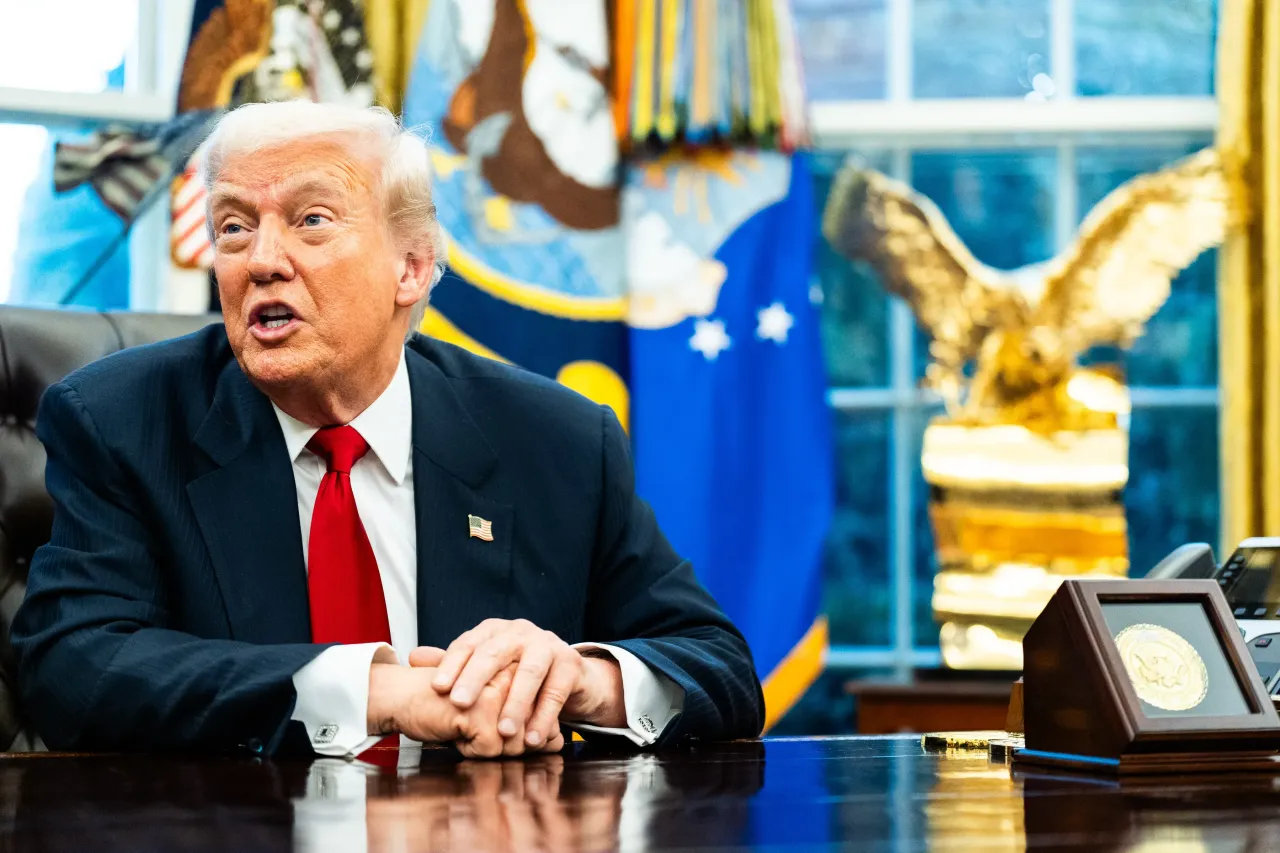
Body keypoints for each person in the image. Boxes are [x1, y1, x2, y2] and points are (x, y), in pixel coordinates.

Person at [11, 101, 763, 758]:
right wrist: (374, 690)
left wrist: (579, 680)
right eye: (234, 227)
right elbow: (74, 667)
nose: (262, 261)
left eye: (310, 220)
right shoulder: (120, 420)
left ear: (410, 267)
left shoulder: (556, 438)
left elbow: (718, 666)